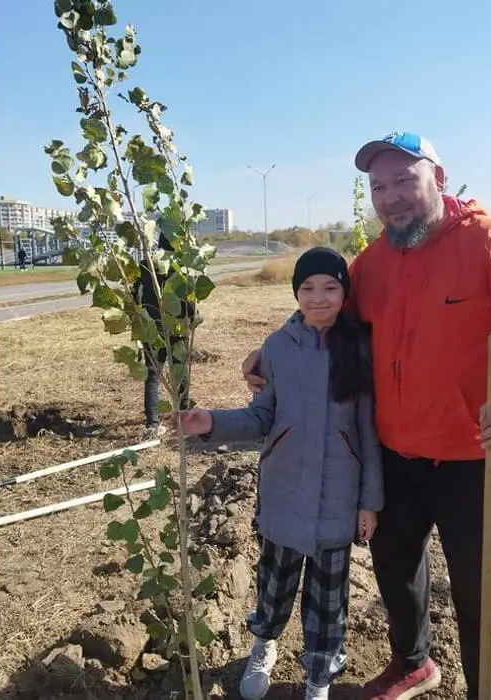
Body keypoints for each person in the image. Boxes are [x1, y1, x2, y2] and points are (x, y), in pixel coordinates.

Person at [241, 132, 491, 700]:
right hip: (393, 455)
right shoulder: (373, 264)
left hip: (469, 458)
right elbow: (318, 308)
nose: (391, 197)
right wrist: (272, 350)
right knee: (397, 569)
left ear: (439, 178)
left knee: (483, 589)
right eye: (378, 186)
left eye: (404, 180)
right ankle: (413, 662)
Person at [171, 247, 382, 700]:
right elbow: (261, 418)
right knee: (274, 585)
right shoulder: (277, 347)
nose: (319, 298)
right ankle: (263, 646)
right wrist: (210, 421)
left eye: (330, 287)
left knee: (329, 603)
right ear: (295, 294)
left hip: (337, 501)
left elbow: (368, 434)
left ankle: (319, 677)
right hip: (283, 494)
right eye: (307, 288)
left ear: (345, 292)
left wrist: (370, 502)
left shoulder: (361, 349)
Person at [133, 231, 192, 429]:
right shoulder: (182, 267)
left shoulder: (146, 264)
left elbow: (136, 295)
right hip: (177, 328)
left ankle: (152, 424)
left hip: (152, 328)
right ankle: (184, 418)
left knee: (152, 376)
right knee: (180, 373)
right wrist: (190, 321)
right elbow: (190, 300)